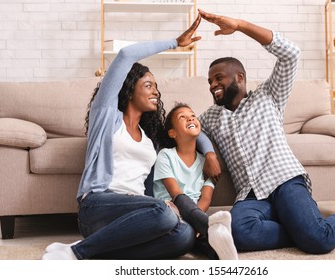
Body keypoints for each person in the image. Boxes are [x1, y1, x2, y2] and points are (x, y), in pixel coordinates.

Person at [197, 9, 335, 254]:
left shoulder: (268, 96)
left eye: (218, 78)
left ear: (240, 78)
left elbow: (291, 54)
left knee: (318, 242)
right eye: (209, 81)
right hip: (251, 195)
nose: (212, 86)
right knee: (239, 233)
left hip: (285, 181)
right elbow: (192, 129)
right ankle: (314, 227)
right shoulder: (211, 116)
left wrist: (240, 25)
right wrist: (209, 153)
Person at [42, 14, 218, 260]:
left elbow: (191, 131)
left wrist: (209, 152)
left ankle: (96, 249)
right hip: (98, 206)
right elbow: (126, 55)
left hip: (139, 216)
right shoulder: (106, 117)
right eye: (148, 85)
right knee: (165, 212)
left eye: (156, 86)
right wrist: (175, 42)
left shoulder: (150, 139)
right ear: (128, 88)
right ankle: (76, 253)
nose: (155, 91)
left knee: (185, 236)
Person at [153, 103, 238, 260]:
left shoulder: (207, 165)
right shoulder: (165, 156)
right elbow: (175, 193)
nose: (190, 118)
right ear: (172, 133)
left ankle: (222, 254)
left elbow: (205, 199)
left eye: (192, 115)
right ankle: (210, 226)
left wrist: (195, 221)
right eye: (182, 117)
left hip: (193, 216)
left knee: (201, 240)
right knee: (186, 214)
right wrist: (198, 220)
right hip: (169, 209)